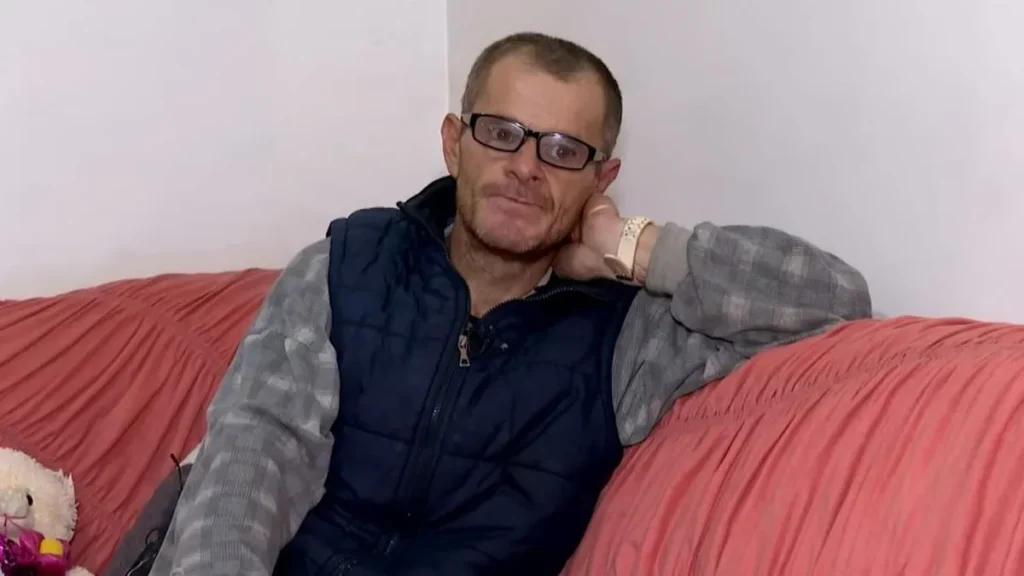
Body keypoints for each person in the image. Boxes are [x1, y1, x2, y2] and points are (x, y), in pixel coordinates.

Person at [150, 31, 872, 576]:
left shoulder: (630, 339)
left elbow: (834, 297)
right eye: (501, 135)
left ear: (601, 179)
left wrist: (626, 245)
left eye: (562, 150)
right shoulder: (345, 266)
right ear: (453, 144)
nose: (526, 168)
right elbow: (255, 455)